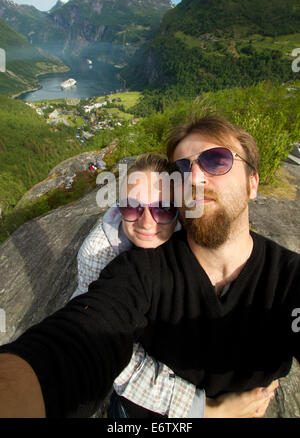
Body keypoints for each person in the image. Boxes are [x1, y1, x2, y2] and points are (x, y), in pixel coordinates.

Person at [0, 115, 298, 418]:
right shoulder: (134, 268)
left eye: (217, 160)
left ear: (252, 183)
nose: (194, 178)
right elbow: (87, 334)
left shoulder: (289, 278)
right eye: (182, 169)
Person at [73, 153, 275, 418]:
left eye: (163, 209)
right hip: (139, 403)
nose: (146, 222)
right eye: (132, 207)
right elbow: (113, 355)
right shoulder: (99, 253)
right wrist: (208, 410)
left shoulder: (190, 229)